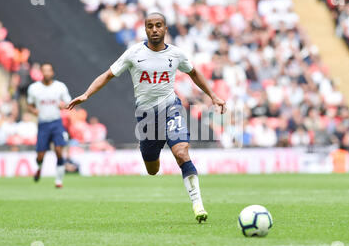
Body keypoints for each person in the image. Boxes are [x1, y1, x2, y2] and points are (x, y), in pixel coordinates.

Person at [66, 12, 226, 223]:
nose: (154, 29)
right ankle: (155, 154)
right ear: (145, 29)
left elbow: (194, 72)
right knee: (152, 169)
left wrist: (213, 95)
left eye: (158, 25)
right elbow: (107, 75)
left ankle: (198, 204)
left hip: (171, 108)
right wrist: (87, 94)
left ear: (165, 28)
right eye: (150, 26)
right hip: (147, 117)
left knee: (181, 152)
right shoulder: (134, 53)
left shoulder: (176, 54)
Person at [27, 63, 72, 188]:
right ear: (41, 73)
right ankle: (39, 168)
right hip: (43, 124)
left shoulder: (60, 87)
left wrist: (63, 105)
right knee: (40, 155)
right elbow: (29, 104)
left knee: (59, 150)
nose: (47, 73)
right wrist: (33, 110)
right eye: (44, 71)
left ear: (52, 73)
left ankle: (58, 181)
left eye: (49, 71)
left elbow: (69, 102)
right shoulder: (34, 88)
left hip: (56, 122)